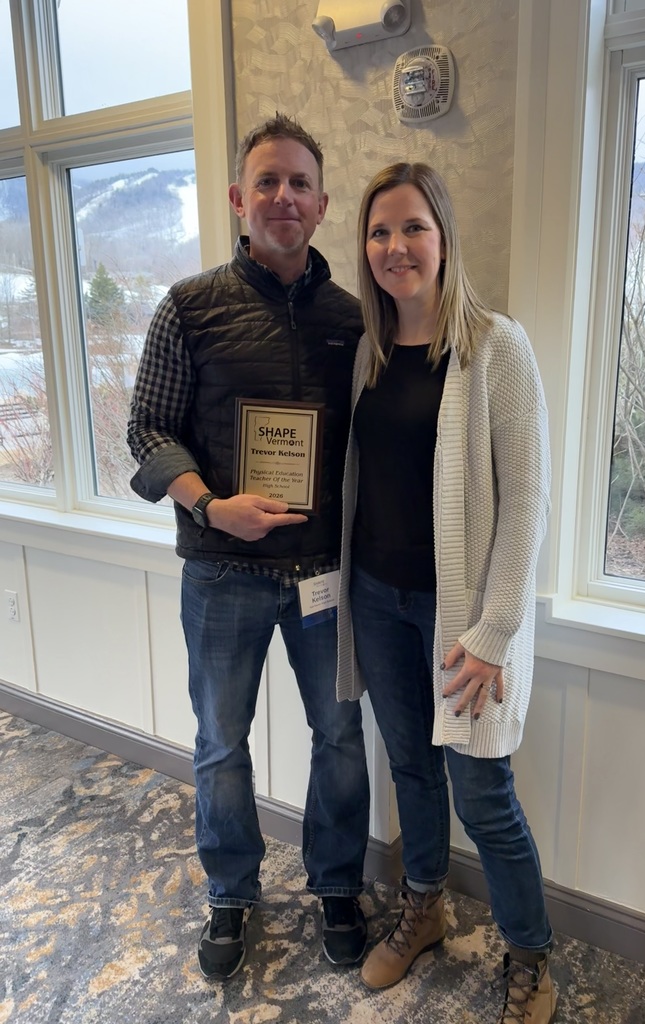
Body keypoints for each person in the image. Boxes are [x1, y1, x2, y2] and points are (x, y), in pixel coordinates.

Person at [127, 113, 370, 981]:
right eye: (266, 181)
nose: (283, 197)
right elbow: (146, 429)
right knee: (221, 744)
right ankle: (231, 892)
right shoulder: (189, 307)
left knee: (340, 739)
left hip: (324, 579)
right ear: (239, 198)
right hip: (222, 572)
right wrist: (208, 504)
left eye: (299, 183)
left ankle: (338, 884)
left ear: (321, 203)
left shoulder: (354, 319)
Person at [335, 162, 556, 1024]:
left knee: (483, 794)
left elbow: (529, 501)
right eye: (380, 231)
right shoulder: (368, 351)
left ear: (443, 237)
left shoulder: (498, 347)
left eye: (412, 227)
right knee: (410, 770)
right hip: (379, 601)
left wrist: (494, 630)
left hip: (462, 621)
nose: (395, 246)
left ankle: (531, 956)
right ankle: (423, 905)